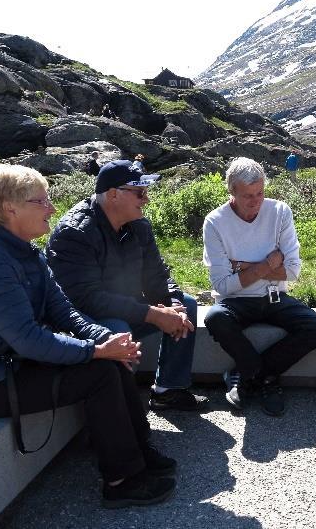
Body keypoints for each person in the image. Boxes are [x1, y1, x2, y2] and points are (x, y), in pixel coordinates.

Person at [0, 164, 176, 508]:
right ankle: (121, 479)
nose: (52, 208)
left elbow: (63, 311)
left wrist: (107, 340)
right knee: (99, 372)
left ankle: (138, 449)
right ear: (10, 208)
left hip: (16, 364)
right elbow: (28, 338)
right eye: (41, 201)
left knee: (112, 358)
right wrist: (96, 351)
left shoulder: (25, 252)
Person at [46, 160, 206, 411]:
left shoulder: (139, 225)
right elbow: (86, 299)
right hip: (83, 319)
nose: (146, 200)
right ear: (113, 195)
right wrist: (152, 314)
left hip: (124, 306)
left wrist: (172, 304)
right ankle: (119, 409)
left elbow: (157, 274)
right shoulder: (75, 233)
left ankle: (168, 390)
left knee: (186, 303)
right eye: (140, 193)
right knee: (119, 329)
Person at [202, 157, 316, 416]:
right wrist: (266, 266)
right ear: (232, 193)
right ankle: (267, 379)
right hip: (236, 301)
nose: (255, 201)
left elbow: (293, 271)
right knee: (216, 317)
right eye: (247, 195)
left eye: (260, 193)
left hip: (274, 296)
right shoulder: (215, 222)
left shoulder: (280, 212)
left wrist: (241, 266)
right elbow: (223, 286)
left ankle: (248, 374)